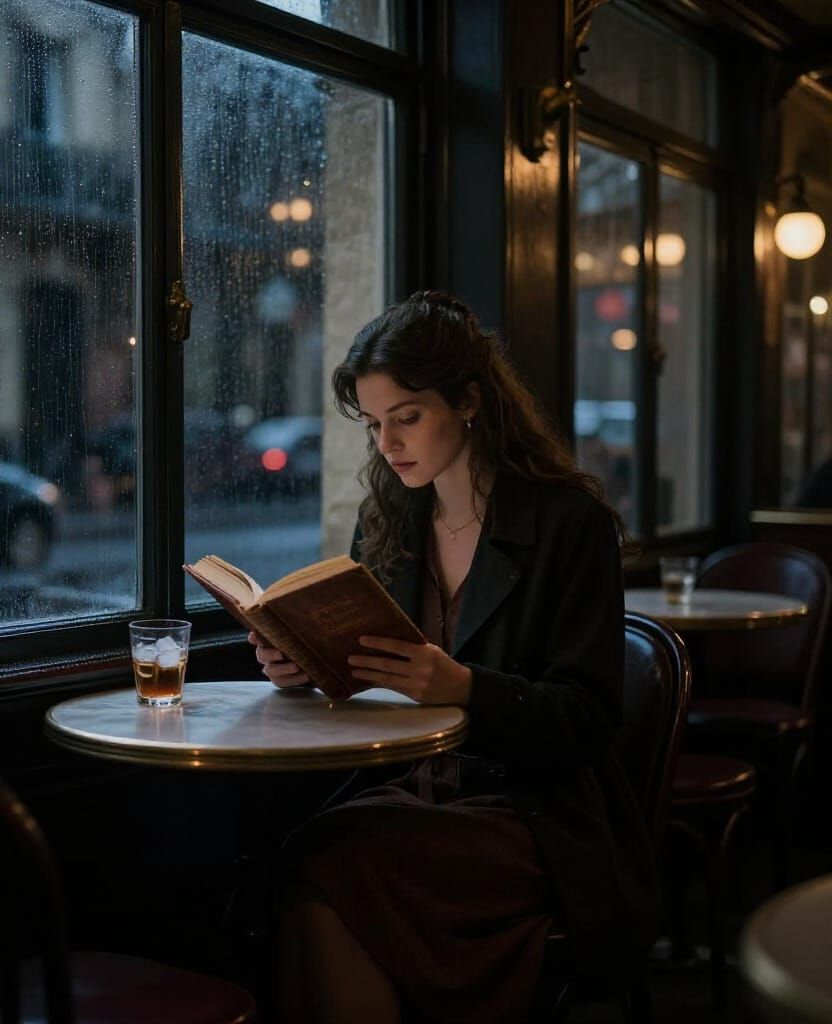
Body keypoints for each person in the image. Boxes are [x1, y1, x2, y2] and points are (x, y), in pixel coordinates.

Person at [248, 291, 659, 1024]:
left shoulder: (571, 524)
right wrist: (306, 668)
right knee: (295, 861)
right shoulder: (389, 521)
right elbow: (370, 673)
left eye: (406, 418)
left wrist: (467, 688)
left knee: (331, 866)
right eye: (374, 424)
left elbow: (589, 718)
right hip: (413, 788)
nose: (387, 444)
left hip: (531, 812)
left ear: (468, 401)